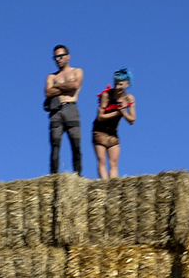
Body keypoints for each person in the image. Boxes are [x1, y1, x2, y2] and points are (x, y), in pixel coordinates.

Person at [44, 45, 84, 175]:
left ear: (68, 56)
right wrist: (66, 87)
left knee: (75, 144)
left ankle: (78, 176)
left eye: (61, 56)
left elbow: (75, 85)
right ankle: (54, 176)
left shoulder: (76, 71)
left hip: (71, 108)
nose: (58, 59)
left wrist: (57, 85)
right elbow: (48, 92)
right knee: (55, 144)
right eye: (55, 57)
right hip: (56, 111)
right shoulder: (51, 76)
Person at [91, 70, 136, 179]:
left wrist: (123, 112)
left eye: (120, 84)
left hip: (113, 133)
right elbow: (100, 117)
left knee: (114, 163)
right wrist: (117, 112)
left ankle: (113, 186)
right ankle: (104, 185)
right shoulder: (107, 95)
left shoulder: (129, 98)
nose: (117, 87)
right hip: (99, 131)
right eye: (115, 84)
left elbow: (132, 120)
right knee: (101, 160)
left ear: (127, 84)